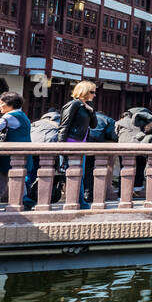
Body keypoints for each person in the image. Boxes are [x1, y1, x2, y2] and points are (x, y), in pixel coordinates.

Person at [57, 80, 99, 208]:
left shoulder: (85, 107)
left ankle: (80, 201)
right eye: (92, 92)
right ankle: (81, 202)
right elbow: (64, 126)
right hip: (72, 142)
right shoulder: (73, 104)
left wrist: (91, 112)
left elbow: (94, 125)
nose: (94, 95)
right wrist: (61, 147)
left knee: (80, 174)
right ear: (84, 92)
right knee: (75, 174)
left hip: (81, 143)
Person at [0, 91, 35, 209]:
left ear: (8, 103)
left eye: (1, 103)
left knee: (8, 177)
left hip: (11, 154)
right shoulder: (23, 115)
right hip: (24, 152)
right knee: (15, 178)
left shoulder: (9, 116)